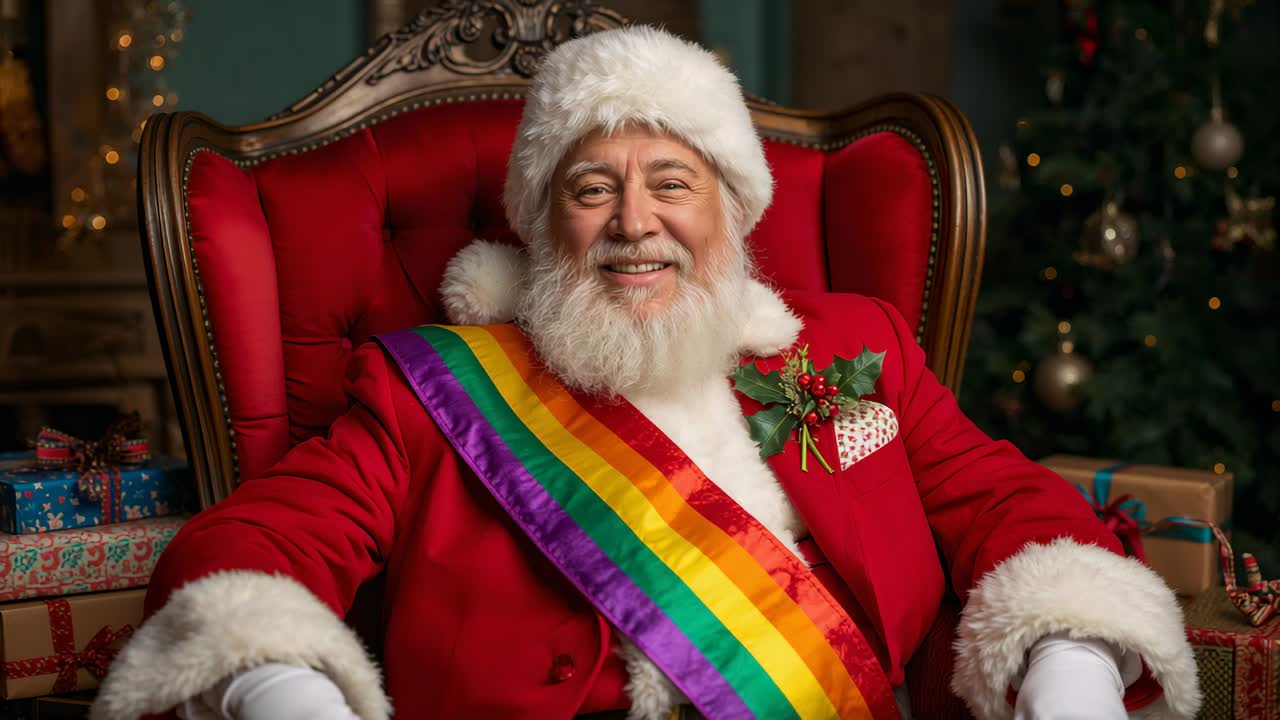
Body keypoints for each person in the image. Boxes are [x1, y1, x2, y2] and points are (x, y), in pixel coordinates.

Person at [92, 26, 1199, 720]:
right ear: (541, 227)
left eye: (670, 183)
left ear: (729, 207)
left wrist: (1069, 666)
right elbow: (252, 542)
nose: (635, 225)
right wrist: (283, 686)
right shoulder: (435, 392)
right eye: (591, 190)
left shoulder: (851, 348)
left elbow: (1006, 500)